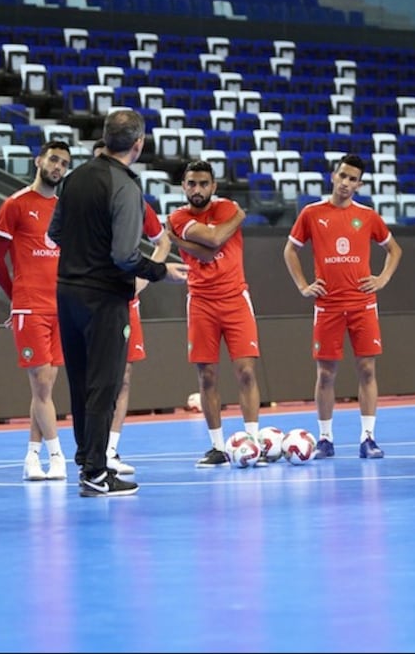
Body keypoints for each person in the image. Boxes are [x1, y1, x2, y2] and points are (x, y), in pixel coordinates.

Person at [49, 109, 188, 497]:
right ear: (139, 144)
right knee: (104, 384)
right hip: (104, 297)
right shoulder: (125, 186)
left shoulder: (74, 178)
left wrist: (84, 255)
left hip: (67, 292)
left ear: (106, 138)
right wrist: (163, 271)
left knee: (79, 382)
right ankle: (95, 472)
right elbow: (126, 256)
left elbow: (54, 232)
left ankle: (86, 462)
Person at [283, 154, 402, 459]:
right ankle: (325, 439)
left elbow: (394, 249)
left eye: (353, 179)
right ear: (333, 176)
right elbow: (290, 251)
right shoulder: (312, 213)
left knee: (366, 369)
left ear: (359, 184)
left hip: (363, 304)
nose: (346, 183)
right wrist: (302, 286)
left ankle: (368, 438)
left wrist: (383, 278)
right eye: (343, 176)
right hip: (328, 306)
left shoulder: (368, 215)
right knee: (325, 374)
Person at [166, 160, 265, 467]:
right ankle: (217, 447)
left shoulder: (225, 208)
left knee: (246, 372)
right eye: (191, 184)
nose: (197, 189)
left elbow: (214, 239)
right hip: (201, 302)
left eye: (203, 183)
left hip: (236, 298)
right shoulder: (179, 216)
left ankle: (253, 441)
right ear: (183, 187)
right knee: (207, 377)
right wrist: (236, 219)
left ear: (213, 186)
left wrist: (177, 240)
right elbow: (210, 245)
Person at [0, 140, 73, 482]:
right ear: (38, 160)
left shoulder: (66, 209)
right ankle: (57, 457)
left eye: (64, 163)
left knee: (46, 389)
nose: (58, 167)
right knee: (41, 383)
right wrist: (16, 299)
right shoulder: (16, 204)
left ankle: (31, 457)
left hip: (61, 308)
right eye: (53, 159)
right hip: (30, 307)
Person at [107, 197, 171, 475]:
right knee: (96, 377)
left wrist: (141, 282)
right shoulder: (89, 203)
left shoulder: (139, 206)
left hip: (126, 302)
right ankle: (90, 448)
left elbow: (163, 242)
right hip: (95, 301)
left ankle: (110, 449)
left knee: (124, 377)